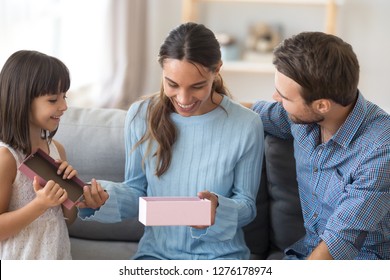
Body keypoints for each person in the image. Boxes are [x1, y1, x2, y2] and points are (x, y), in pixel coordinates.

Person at [78, 22, 264, 260]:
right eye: (172, 84)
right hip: (157, 256)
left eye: (197, 86)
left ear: (217, 70)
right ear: (162, 71)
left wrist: (218, 209)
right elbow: (136, 191)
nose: (183, 99)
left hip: (221, 258)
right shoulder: (140, 115)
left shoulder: (247, 124)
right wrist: (101, 197)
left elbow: (247, 205)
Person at [248, 32, 390, 260]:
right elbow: (252, 113)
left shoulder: (380, 150)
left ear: (322, 105)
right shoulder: (303, 117)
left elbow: (340, 241)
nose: (275, 98)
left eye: (284, 96)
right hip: (305, 251)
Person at [0, 50, 82, 259]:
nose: (64, 106)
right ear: (22, 100)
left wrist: (72, 193)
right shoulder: (6, 158)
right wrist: (40, 204)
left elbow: (68, 219)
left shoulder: (57, 150)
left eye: (64, 97)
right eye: (53, 99)